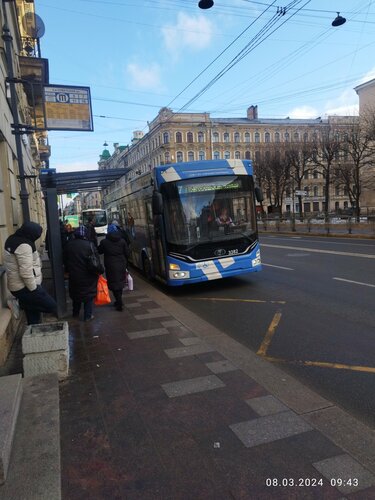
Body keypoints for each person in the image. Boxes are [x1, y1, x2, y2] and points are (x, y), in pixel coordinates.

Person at [4, 221, 57, 325]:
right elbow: (26, 272)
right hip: (25, 287)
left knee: (33, 318)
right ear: (31, 234)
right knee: (52, 306)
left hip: (18, 285)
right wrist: (34, 288)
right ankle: (19, 303)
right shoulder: (24, 246)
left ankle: (33, 336)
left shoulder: (12, 239)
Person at [63, 225, 101, 321]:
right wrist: (100, 271)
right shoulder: (90, 245)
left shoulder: (69, 245)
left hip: (74, 275)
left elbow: (64, 260)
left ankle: (75, 313)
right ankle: (87, 316)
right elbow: (96, 261)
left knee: (76, 295)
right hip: (88, 275)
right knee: (88, 296)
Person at [98, 223, 129, 311]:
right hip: (121, 264)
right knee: (120, 282)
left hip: (110, 265)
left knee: (114, 282)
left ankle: (118, 301)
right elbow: (127, 253)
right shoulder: (122, 241)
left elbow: (99, 251)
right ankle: (119, 300)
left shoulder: (104, 242)